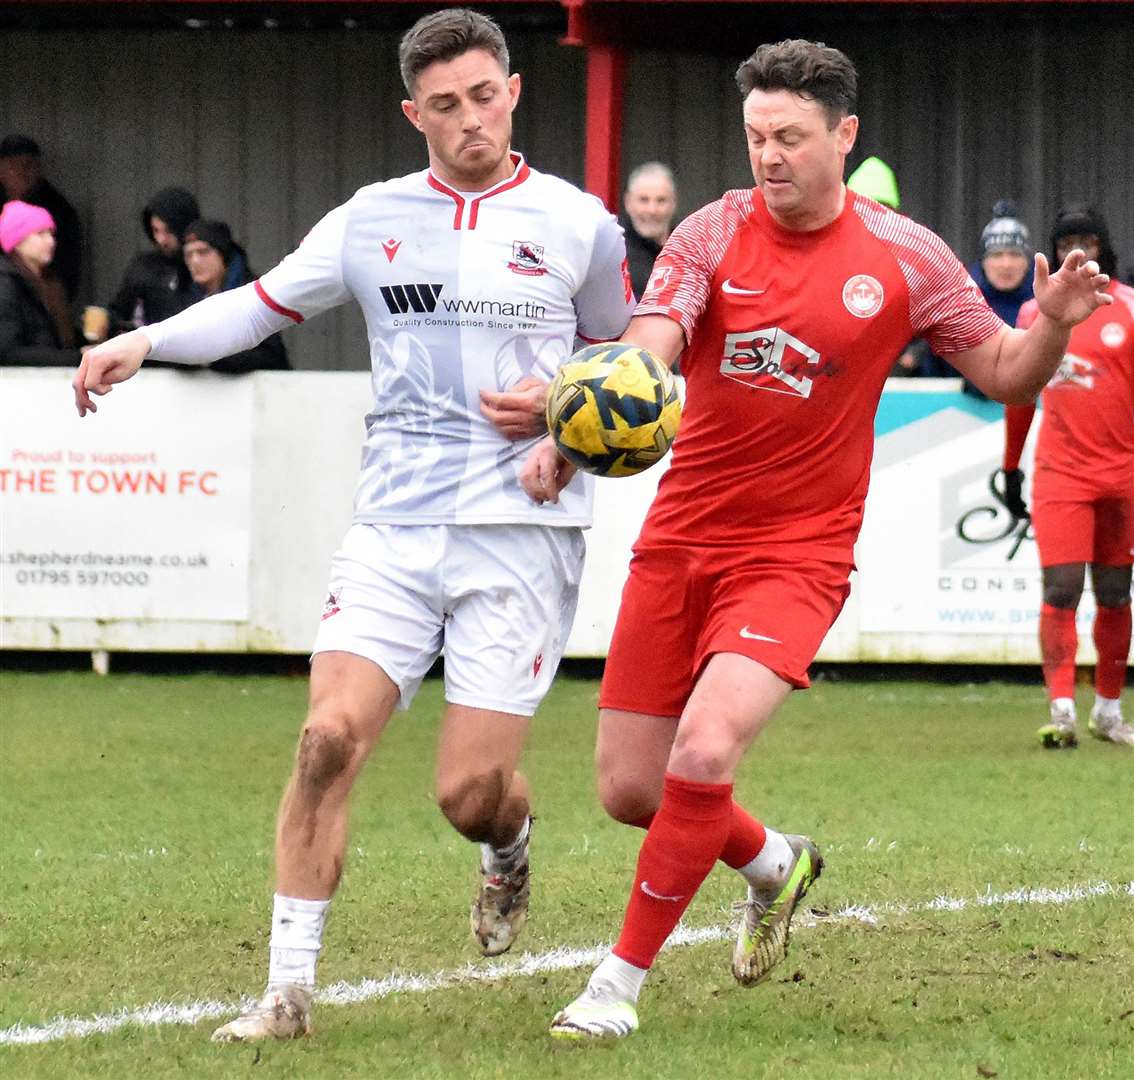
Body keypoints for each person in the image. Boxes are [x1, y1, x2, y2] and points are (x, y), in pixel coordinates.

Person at [520, 38, 1113, 1039]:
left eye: (790, 137)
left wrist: (1050, 324)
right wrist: (578, 434)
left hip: (797, 554)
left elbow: (1010, 371)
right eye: (755, 136)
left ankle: (615, 985)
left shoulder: (908, 255)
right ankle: (772, 863)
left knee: (702, 757)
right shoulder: (710, 233)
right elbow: (651, 349)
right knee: (633, 790)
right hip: (682, 542)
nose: (769, 157)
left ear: (844, 135)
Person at [73, 7, 634, 1043]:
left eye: (485, 96)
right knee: (325, 738)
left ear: (514, 92)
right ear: (411, 111)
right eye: (445, 104)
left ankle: (506, 848)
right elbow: (258, 306)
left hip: (523, 526)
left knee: (470, 793)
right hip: (394, 521)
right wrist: (142, 346)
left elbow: (624, 356)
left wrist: (568, 426)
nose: (470, 120)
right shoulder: (371, 217)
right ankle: (285, 995)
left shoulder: (579, 223)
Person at [1000, 205, 1133, 749]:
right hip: (1061, 476)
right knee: (1061, 587)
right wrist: (1010, 467)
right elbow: (1020, 394)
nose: (1078, 250)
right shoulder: (1037, 313)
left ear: (1104, 248)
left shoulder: (1128, 309)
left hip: (1123, 476)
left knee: (1114, 592)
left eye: (1087, 240)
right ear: (1054, 252)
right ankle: (1061, 711)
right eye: (1067, 242)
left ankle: (1107, 708)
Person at [181, 219, 289, 372]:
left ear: (223, 254)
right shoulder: (184, 295)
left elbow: (271, 356)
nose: (195, 261)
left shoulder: (252, 293)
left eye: (203, 252)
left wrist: (210, 356)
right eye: (188, 255)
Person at [962, 200, 1036, 397]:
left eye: (1014, 254)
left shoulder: (1047, 301)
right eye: (997, 255)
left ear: (1027, 262)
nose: (1006, 264)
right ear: (984, 261)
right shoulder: (960, 300)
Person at [0, 134, 84, 303]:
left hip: (40, 292)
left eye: (29, 165)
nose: (22, 172)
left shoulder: (57, 209)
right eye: (13, 166)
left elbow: (65, 269)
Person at [106, 186, 200, 333]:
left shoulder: (203, 264)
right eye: (156, 230)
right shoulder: (144, 266)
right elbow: (119, 310)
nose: (161, 239)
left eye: (169, 231)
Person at [0, 200, 82, 366]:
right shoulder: (5, 283)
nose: (51, 241)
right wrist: (76, 357)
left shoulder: (50, 283)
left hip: (48, 380)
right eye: (40, 234)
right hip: (22, 385)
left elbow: (58, 338)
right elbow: (7, 351)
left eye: (51, 234)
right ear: (17, 239)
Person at [622, 162, 678, 299]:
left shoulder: (689, 251)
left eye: (661, 200)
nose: (652, 210)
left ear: (674, 203)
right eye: (644, 200)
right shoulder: (614, 251)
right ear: (628, 202)